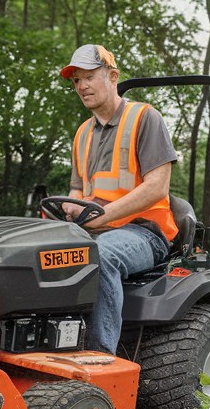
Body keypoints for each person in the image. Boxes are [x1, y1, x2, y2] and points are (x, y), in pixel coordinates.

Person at [60, 44, 179, 354]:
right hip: (94, 229)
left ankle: (100, 359)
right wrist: (69, 207)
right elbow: (78, 190)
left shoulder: (145, 118)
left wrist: (105, 215)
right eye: (76, 81)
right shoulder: (83, 133)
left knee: (101, 256)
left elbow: (157, 188)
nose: (82, 86)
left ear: (112, 76)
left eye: (89, 77)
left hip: (145, 231)